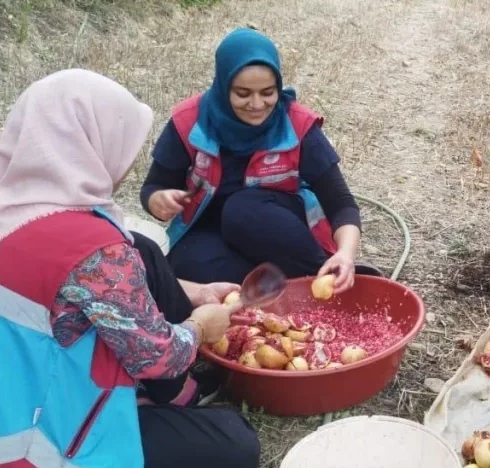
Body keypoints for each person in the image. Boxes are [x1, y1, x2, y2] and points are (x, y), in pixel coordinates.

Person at [0, 70, 261, 468]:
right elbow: (160, 359)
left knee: (143, 247)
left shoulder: (2, 210)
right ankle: (168, 402)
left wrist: (198, 291)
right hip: (26, 444)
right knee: (235, 444)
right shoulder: (94, 252)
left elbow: (95, 290)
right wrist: (201, 326)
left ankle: (176, 398)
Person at [142, 28, 362, 289]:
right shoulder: (189, 122)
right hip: (211, 230)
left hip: (277, 228)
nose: (257, 105)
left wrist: (345, 254)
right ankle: (274, 292)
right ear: (223, 87)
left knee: (242, 210)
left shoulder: (297, 124)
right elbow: (153, 187)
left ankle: (320, 277)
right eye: (243, 94)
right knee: (185, 265)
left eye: (268, 92)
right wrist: (157, 201)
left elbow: (341, 204)